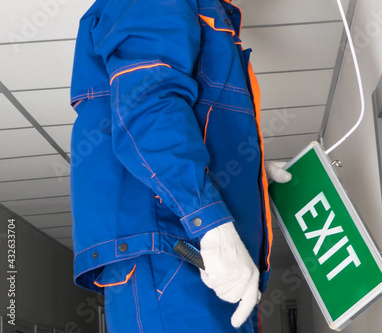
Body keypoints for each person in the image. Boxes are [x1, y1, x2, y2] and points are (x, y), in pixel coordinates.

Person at [69, 0, 291, 331]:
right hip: (174, 248)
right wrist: (209, 221)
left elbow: (176, 117)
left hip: (183, 249)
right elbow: (147, 109)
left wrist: (249, 174)